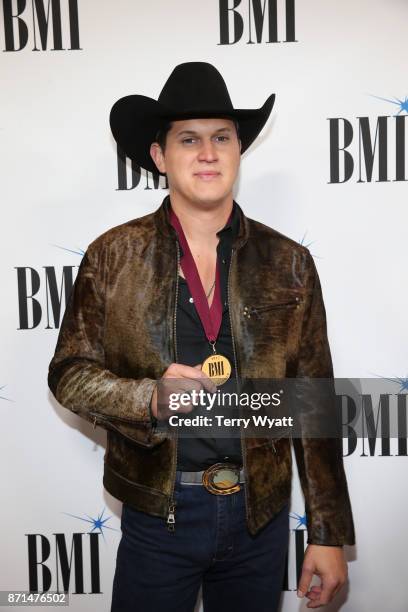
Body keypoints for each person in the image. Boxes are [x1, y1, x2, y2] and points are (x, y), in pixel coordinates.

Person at [47, 62, 355, 611]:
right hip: (157, 514)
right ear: (161, 156)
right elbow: (69, 374)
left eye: (221, 137)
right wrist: (149, 397)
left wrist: (327, 533)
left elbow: (312, 401)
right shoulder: (113, 256)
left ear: (239, 151)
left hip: (260, 516)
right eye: (188, 139)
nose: (207, 153)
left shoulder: (290, 263)